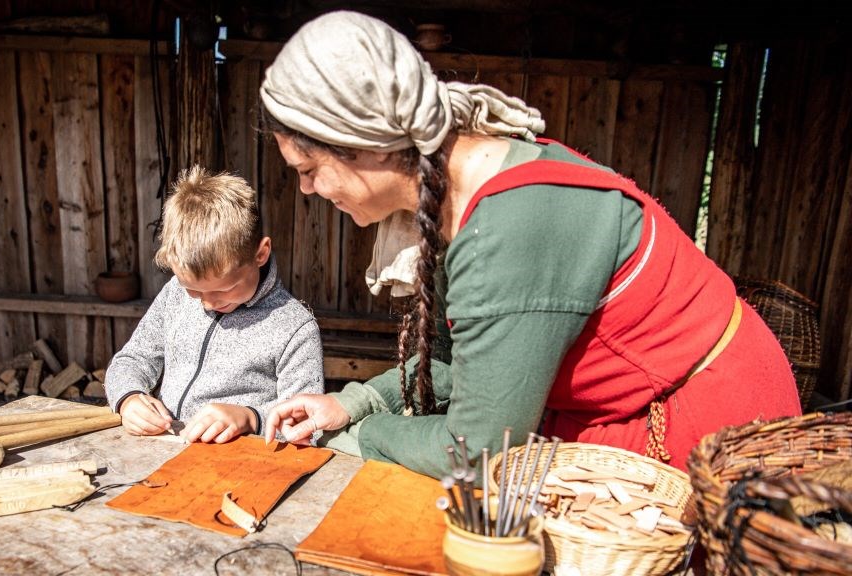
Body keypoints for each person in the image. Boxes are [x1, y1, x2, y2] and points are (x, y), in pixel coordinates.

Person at [259, 11, 800, 478]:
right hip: (628, 405)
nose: (307, 189)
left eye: (308, 169)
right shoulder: (468, 193)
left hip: (702, 429)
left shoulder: (507, 228)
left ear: (365, 145)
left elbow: (475, 454)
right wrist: (349, 403)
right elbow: (466, 364)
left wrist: (369, 432)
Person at [104, 166, 324, 444]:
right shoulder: (175, 295)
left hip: (241, 468)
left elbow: (308, 425)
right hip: (167, 452)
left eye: (224, 289)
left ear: (261, 253)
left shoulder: (294, 327)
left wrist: (250, 418)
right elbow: (132, 359)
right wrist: (128, 397)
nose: (208, 303)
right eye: (194, 291)